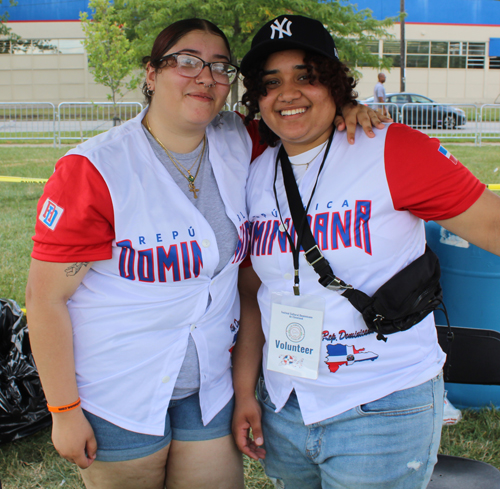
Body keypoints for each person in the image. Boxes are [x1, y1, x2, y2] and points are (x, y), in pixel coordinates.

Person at [25, 17, 386, 489]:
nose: (206, 76)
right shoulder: (95, 170)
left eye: (219, 67)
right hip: (119, 390)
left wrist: (348, 108)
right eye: (187, 62)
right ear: (152, 74)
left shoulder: (240, 139)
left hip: (208, 388)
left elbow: (301, 117)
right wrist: (64, 410)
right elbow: (44, 299)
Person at [232, 14, 500, 489]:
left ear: (335, 84)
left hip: (382, 403)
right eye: (271, 83)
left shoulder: (391, 149)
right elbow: (255, 290)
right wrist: (245, 391)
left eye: (306, 77)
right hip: (287, 404)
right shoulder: (253, 167)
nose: (287, 93)